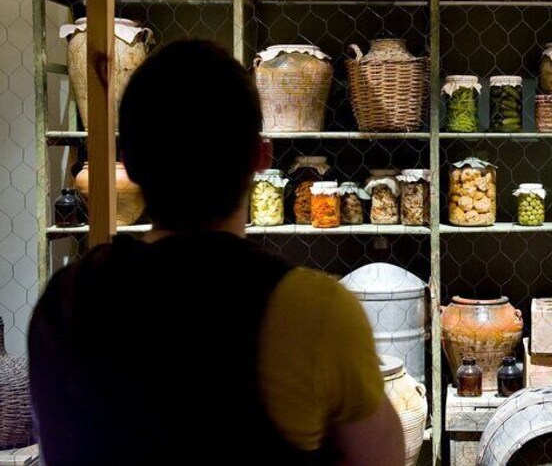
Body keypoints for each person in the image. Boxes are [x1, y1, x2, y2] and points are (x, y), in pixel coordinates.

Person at [28, 40, 404, 465]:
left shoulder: (65, 301)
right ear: (261, 156)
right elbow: (383, 455)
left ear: (128, 163)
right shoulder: (315, 311)